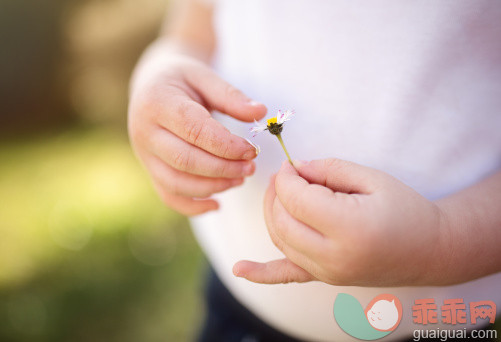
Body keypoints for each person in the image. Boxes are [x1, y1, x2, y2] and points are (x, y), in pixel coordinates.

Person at [128, 0, 501, 340]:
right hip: (242, 307)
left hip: (439, 324)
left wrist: (439, 241)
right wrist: (158, 72)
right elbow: (190, 33)